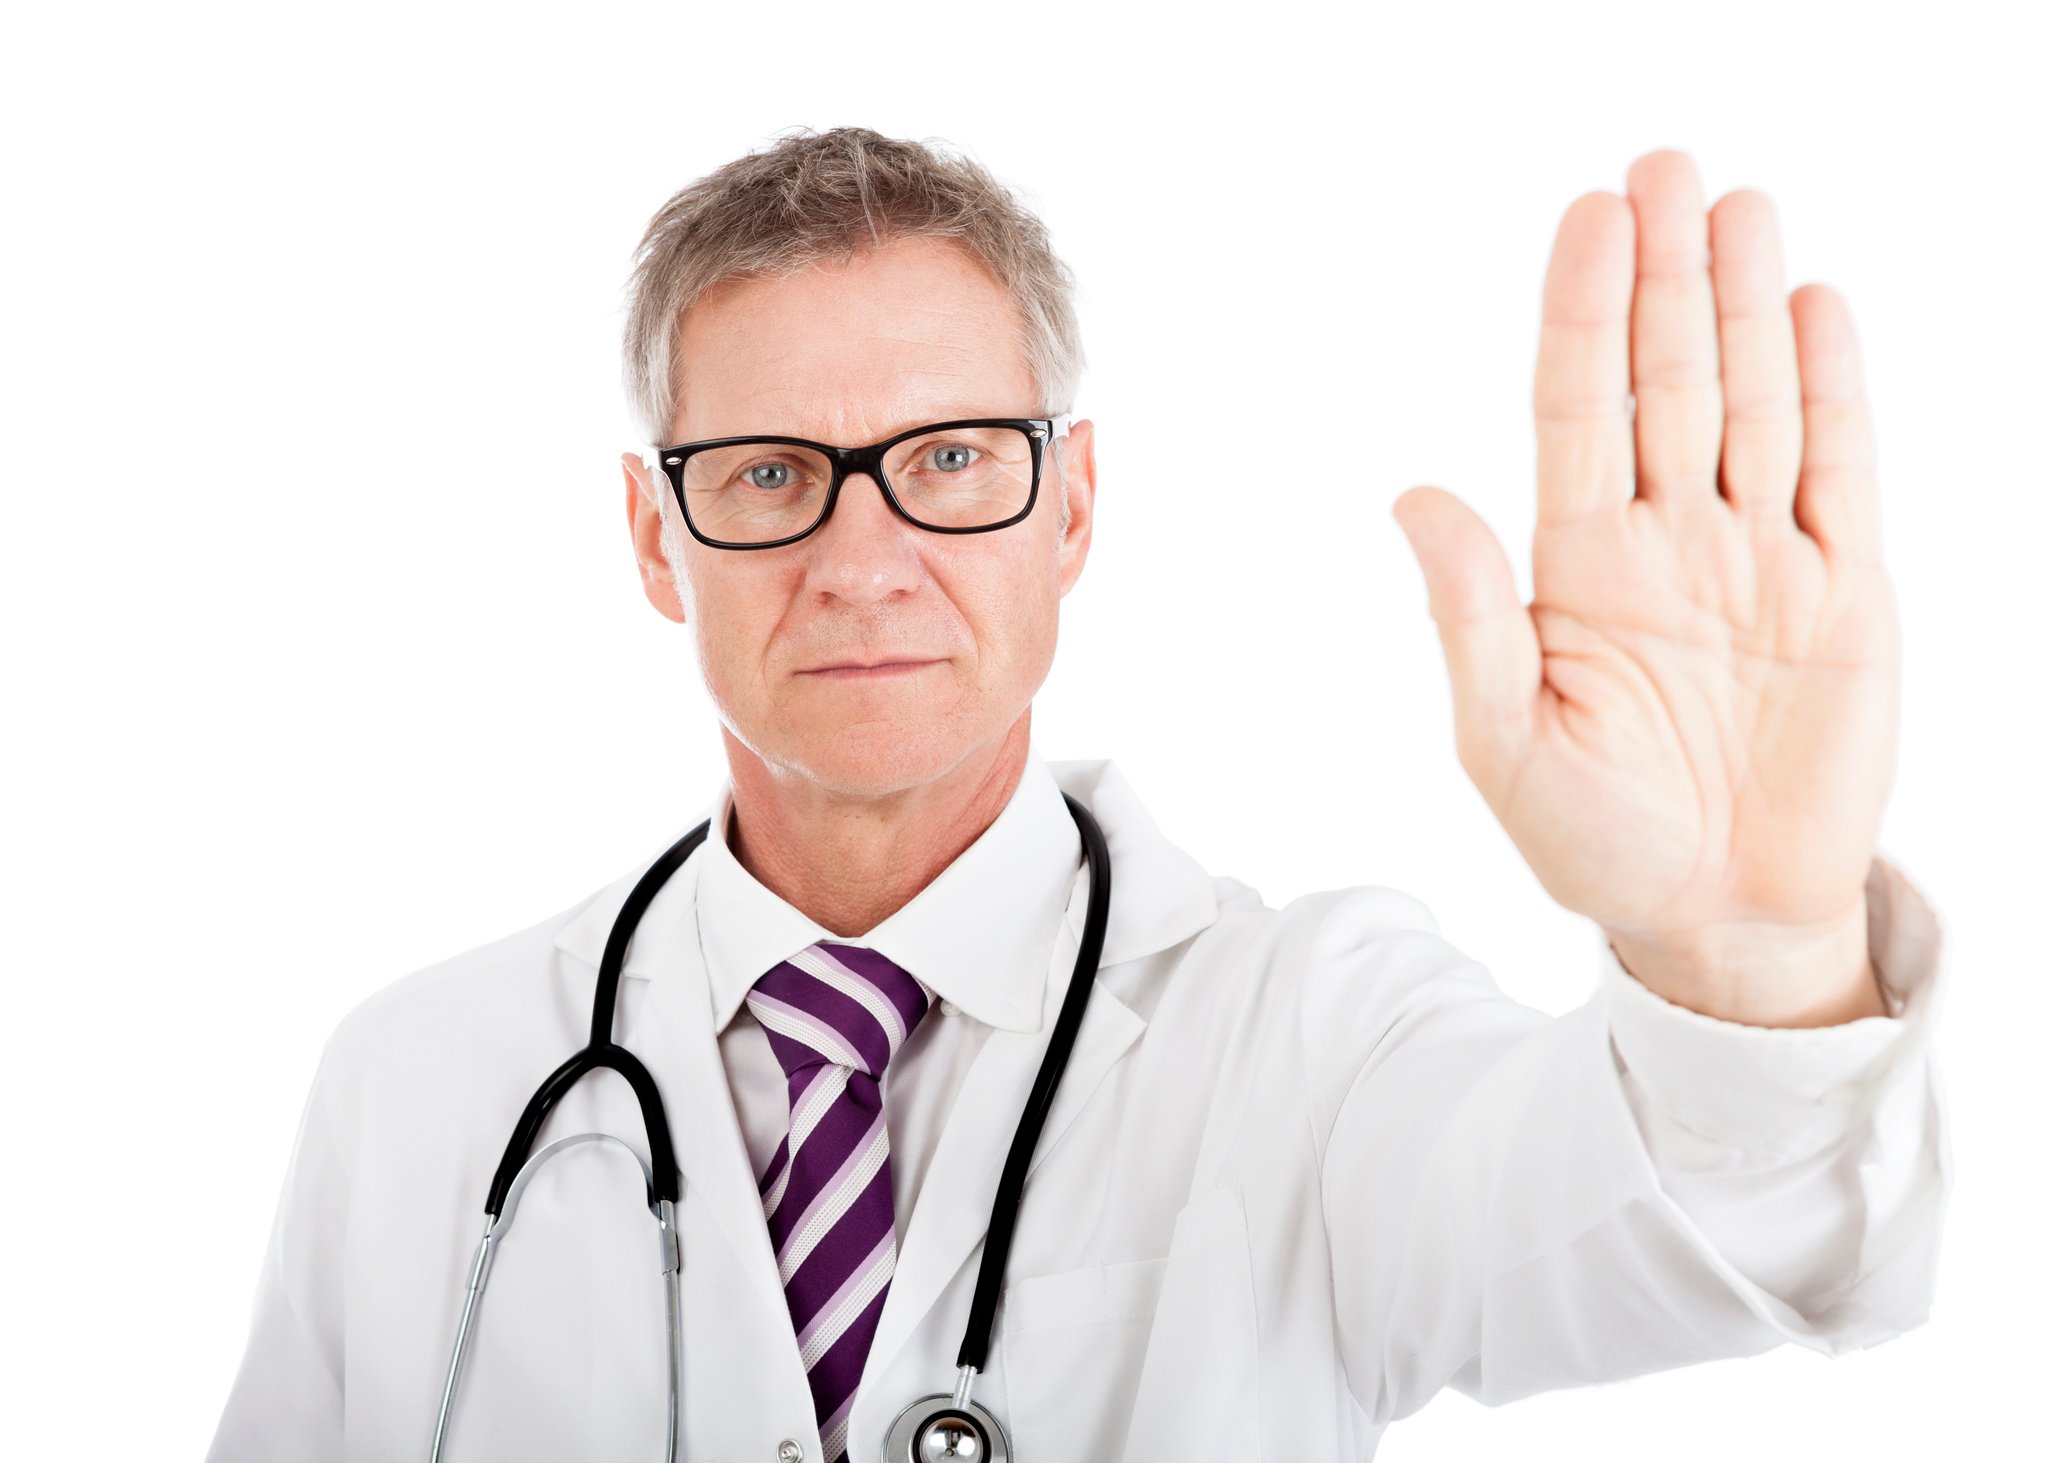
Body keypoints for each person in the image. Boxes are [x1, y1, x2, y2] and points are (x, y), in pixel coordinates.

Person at [206, 127, 1949, 1463]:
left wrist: (1746, 953)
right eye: (767, 473)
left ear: (1074, 506)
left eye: (952, 459)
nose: (863, 558)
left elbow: (1699, 1226)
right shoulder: (418, 1085)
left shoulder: (1312, 1035)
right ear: (659, 538)